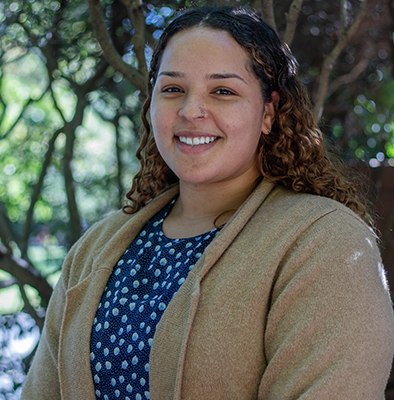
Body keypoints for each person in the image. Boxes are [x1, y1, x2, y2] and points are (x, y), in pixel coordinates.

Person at [21, 6, 394, 400]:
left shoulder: (324, 242)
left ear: (268, 112)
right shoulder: (95, 248)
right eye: (172, 89)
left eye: (223, 91)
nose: (191, 111)